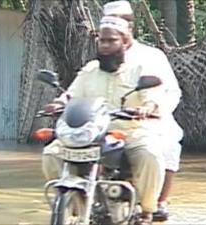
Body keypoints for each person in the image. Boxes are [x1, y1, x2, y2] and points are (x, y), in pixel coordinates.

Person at [43, 16, 167, 225]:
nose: (106, 45)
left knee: (150, 154)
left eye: (111, 41)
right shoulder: (90, 70)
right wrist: (58, 102)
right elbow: (71, 94)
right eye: (102, 41)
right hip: (89, 132)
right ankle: (72, 203)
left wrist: (147, 108)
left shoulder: (139, 69)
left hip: (127, 131)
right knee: (51, 153)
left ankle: (147, 211)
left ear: (124, 43)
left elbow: (153, 98)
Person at [102, 0, 184, 221]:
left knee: (168, 142)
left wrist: (154, 110)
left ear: (130, 25)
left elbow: (171, 92)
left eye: (123, 21)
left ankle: (157, 202)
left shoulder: (152, 56)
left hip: (149, 118)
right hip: (108, 120)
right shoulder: (101, 58)